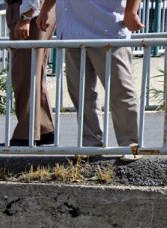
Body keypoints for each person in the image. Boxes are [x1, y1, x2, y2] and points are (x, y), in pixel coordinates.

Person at [39, 0, 142, 160]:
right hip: (72, 30)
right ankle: (90, 144)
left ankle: (130, 145)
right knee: (81, 93)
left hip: (107, 29)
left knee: (121, 91)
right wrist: (46, 8)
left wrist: (131, 11)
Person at [0, 0, 55, 146]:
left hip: (30, 11)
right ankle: (43, 128)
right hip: (34, 10)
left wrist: (26, 16)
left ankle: (26, 134)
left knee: (25, 74)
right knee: (33, 73)